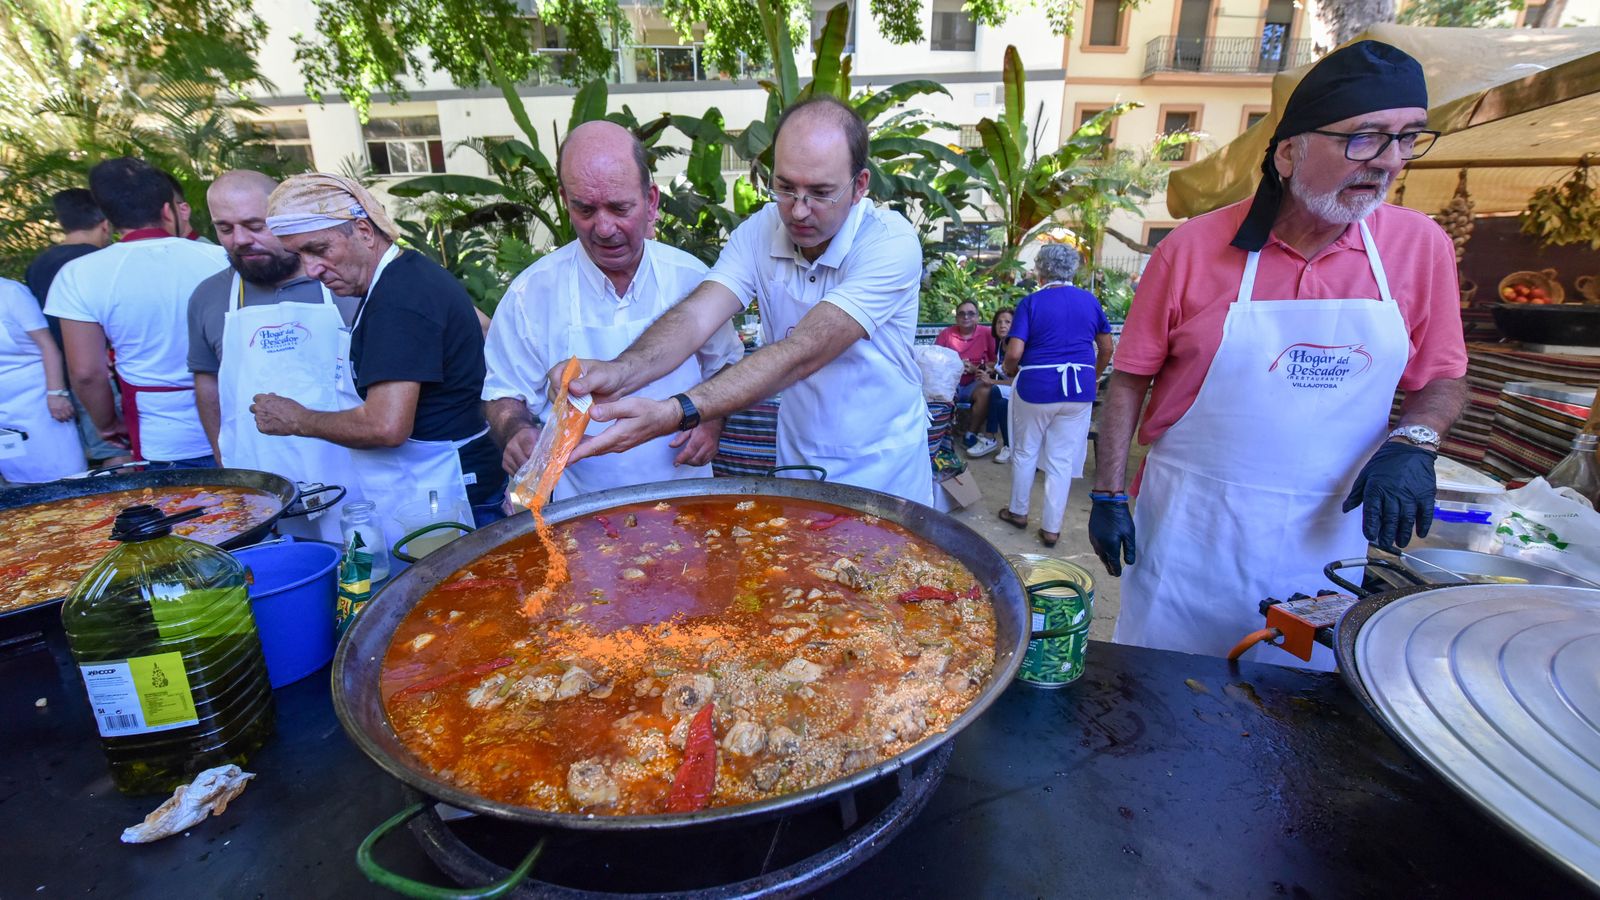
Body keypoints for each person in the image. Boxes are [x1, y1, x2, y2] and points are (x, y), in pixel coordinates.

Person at [1086, 41, 1468, 669]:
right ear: (1289, 152)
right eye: (1365, 138)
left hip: (1324, 548)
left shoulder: (1419, 248)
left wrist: (1416, 440)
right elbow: (1129, 379)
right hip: (1191, 531)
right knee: (1160, 703)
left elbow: (1444, 375)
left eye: (1406, 140)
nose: (1389, 162)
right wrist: (1108, 494)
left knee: (1294, 726)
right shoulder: (1190, 249)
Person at [555, 97, 933, 505]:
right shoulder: (760, 231)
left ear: (859, 186)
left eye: (820, 193)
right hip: (798, 462)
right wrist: (621, 371)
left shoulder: (889, 243)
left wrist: (676, 410)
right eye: (785, 188)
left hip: (883, 469)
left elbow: (803, 351)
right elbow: (698, 315)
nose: (799, 211)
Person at [483, 121, 742, 500]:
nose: (603, 228)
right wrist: (516, 432)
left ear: (651, 201)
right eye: (585, 209)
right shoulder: (530, 294)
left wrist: (712, 421)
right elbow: (502, 393)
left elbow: (727, 365)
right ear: (565, 200)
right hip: (579, 511)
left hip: (687, 496)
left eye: (620, 208)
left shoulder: (692, 279)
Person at [256, 173, 504, 550]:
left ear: (363, 230)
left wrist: (297, 419)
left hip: (447, 492)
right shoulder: (410, 273)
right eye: (299, 255)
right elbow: (484, 328)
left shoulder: (398, 299)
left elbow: (387, 426)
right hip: (446, 481)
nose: (311, 269)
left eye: (319, 249)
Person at [187, 170, 363, 540]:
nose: (241, 240)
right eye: (225, 228)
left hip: (351, 481)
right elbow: (208, 387)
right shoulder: (209, 297)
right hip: (259, 492)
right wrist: (225, 466)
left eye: (255, 226)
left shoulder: (345, 282)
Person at [46, 157, 227, 467]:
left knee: (178, 514)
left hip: (158, 433)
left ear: (108, 217)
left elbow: (87, 375)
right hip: (234, 414)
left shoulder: (79, 274)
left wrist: (107, 424)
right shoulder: (221, 257)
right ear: (168, 209)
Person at [996, 246, 1112, 548]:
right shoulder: (1090, 301)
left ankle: (1018, 511)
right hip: (1079, 389)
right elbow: (1107, 348)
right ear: (1072, 269)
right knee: (1061, 459)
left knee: (1025, 451)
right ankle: (1051, 529)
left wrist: (1009, 371)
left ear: (1041, 270)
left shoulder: (1032, 302)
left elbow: (1015, 352)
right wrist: (1094, 376)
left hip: (1037, 385)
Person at [23, 188, 127, 467]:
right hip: (100, 376)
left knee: (88, 457)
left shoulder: (38, 265)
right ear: (105, 224)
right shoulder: (99, 264)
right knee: (118, 454)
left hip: (59, 378)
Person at [0, 277, 82, 482]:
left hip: (38, 397)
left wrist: (56, 393)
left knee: (63, 471)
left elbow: (48, 347)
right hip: (4, 405)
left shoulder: (11, 293)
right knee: (16, 472)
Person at [934, 299, 995, 451]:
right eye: (961, 313)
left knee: (986, 391)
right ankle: (941, 435)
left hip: (975, 382)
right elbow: (933, 360)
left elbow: (996, 361)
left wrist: (977, 368)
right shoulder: (946, 334)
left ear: (977, 317)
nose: (966, 317)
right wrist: (956, 366)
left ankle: (971, 433)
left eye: (970, 313)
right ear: (956, 317)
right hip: (951, 383)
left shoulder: (986, 333)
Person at [972, 306, 1016, 463]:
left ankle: (994, 439)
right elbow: (1000, 364)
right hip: (1009, 392)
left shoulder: (1016, 346)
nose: (1002, 325)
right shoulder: (1001, 344)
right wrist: (987, 369)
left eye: (1008, 322)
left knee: (994, 389)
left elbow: (1018, 380)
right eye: (999, 322)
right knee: (999, 399)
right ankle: (1003, 443)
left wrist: (991, 380)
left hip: (1025, 390)